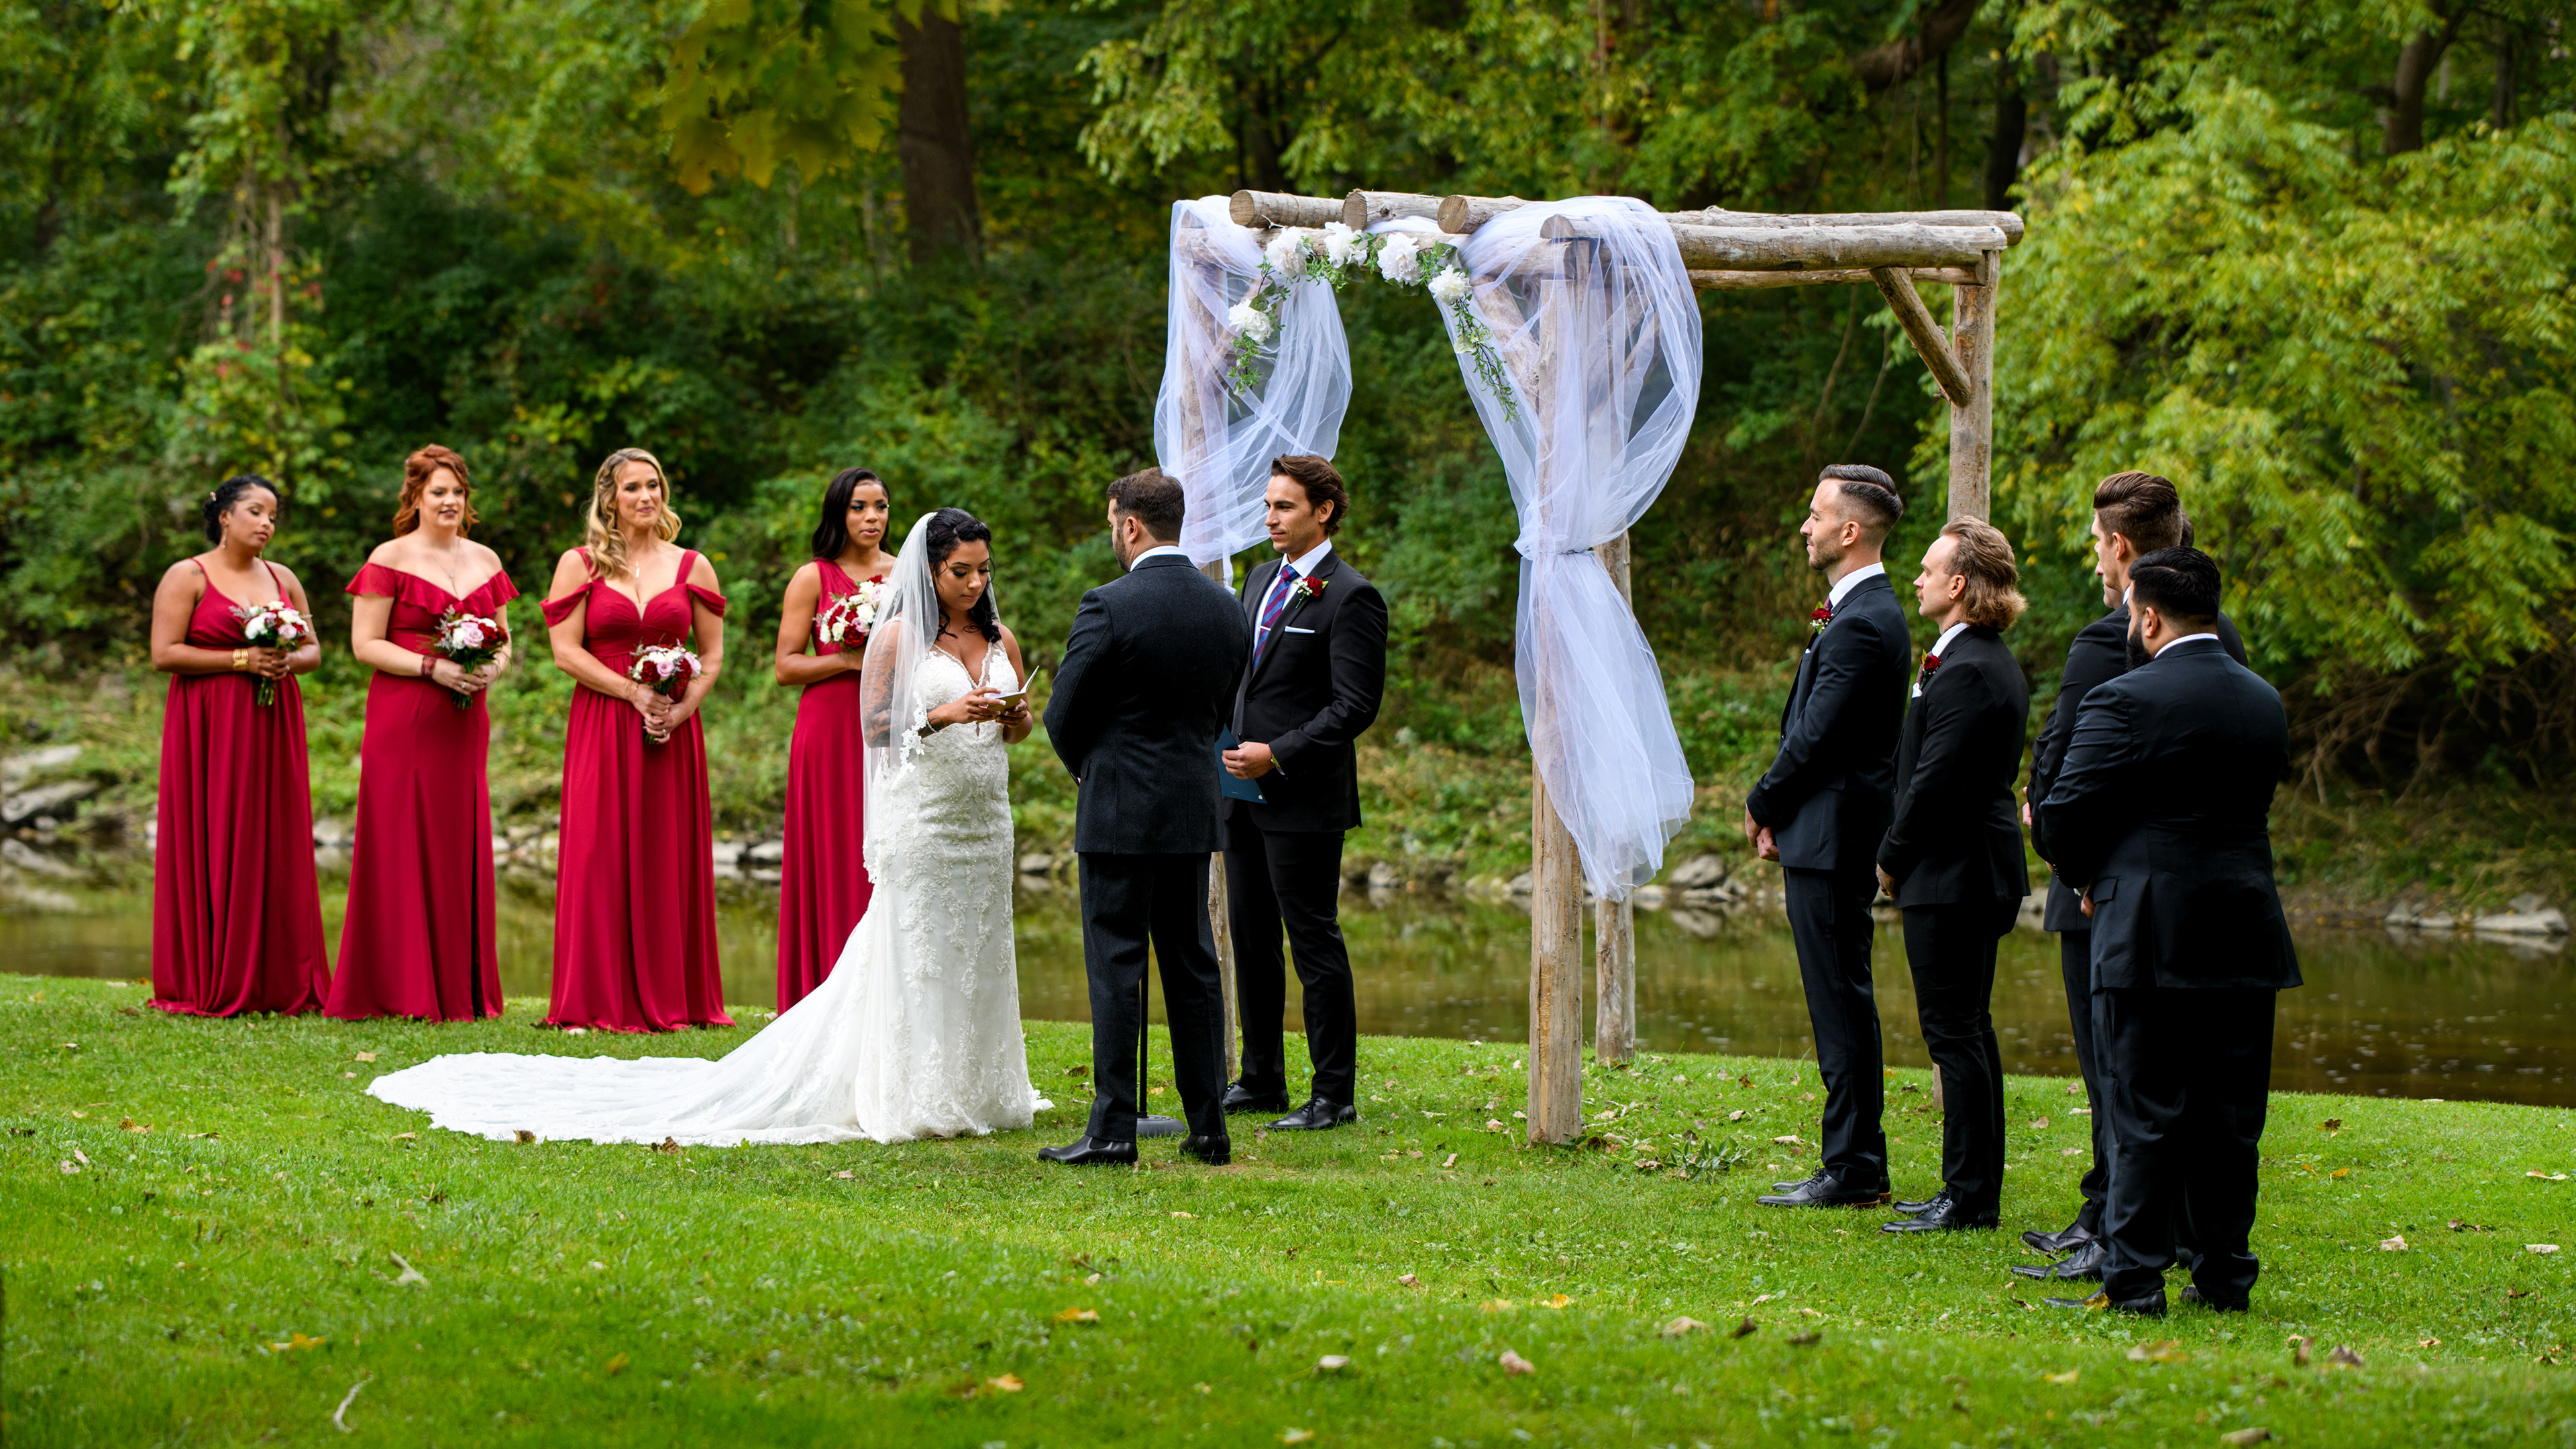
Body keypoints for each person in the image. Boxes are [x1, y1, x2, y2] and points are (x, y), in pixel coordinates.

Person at [369, 509, 1052, 1144]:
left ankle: (980, 1085)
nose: (974, 583)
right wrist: (944, 714)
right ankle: (911, 1086)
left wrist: (1016, 718)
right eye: (960, 571)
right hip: (925, 819)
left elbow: (1018, 730)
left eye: (982, 571)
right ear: (929, 570)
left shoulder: (1001, 639)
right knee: (918, 945)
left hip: (986, 821)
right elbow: (876, 728)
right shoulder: (899, 636)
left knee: (980, 945)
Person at [2035, 547, 2299, 1316]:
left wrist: (2088, 877)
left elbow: (2062, 815)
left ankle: (2135, 1281)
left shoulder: (2124, 698)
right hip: (2245, 926)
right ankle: (2223, 1277)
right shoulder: (2264, 700)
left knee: (2141, 1106)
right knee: (2230, 1117)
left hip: (2148, 926)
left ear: (2148, 618)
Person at [2019, 471, 2249, 1279]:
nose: (2093, 560)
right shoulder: (2223, 641)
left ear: (2120, 546)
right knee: (2177, 1078)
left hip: (2110, 888)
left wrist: (2054, 835)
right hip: (2199, 890)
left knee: (2118, 1074)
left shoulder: (2106, 641)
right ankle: (2131, 1217)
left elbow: (2066, 754)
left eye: (2095, 544)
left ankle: (2122, 1235)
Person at [1037, 468, 1250, 1168]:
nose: (1112, 534)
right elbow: (1221, 710)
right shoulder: (1227, 608)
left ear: (1130, 524)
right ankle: (1209, 1128)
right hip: (1192, 807)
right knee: (1194, 964)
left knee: (1116, 964)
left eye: (1111, 524)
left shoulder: (1108, 604)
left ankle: (1112, 1131)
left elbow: (1062, 713)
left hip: (1118, 810)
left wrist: (1093, 768)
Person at [1743, 464, 1910, 1209]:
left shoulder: (1866, 621)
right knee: (1837, 997)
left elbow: (1817, 737)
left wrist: (1763, 802)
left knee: (1840, 1000)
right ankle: (1853, 1159)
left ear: (1849, 530)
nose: (1804, 527)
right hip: (1824, 831)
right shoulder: (1853, 612)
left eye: (1815, 516)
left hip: (1836, 836)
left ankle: (1854, 1167)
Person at [1220, 454, 1389, 1130]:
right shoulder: (1259, 579)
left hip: (1303, 796)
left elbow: (1355, 706)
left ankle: (1333, 1095)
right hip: (1238, 792)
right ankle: (1261, 1078)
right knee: (1251, 940)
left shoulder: (1351, 596)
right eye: (1268, 505)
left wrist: (1279, 754)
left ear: (1324, 511)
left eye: (1284, 506)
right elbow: (1244, 678)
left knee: (1313, 944)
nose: (1270, 518)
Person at [537, 447, 733, 1033]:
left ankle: (677, 993)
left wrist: (680, 710)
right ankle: (596, 995)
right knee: (598, 851)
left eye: (654, 485)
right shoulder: (579, 565)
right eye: (632, 488)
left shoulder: (693, 566)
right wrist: (630, 692)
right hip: (602, 722)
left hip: (672, 728)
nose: (646, 496)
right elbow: (565, 651)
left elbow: (712, 655)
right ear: (610, 499)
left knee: (666, 850)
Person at [1875, 519, 2031, 1234]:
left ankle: (1968, 1197)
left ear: (1959, 584)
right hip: (1963, 869)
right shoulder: (1966, 656)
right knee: (1967, 1028)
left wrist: (1891, 856)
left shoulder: (1971, 667)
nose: (1917, 578)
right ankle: (1971, 1189)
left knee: (1954, 1033)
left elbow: (1935, 782)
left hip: (1957, 870)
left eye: (1929, 569)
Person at [327, 445, 517, 1021]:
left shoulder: (486, 559)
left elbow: (505, 639)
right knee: (401, 838)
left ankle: (460, 986)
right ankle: (397, 986)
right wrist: (432, 667)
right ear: (415, 497)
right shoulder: (389, 558)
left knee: (458, 838)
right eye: (438, 492)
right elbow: (365, 644)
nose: (450, 501)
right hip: (404, 715)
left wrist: (491, 669)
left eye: (458, 492)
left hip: (465, 720)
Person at [147, 474, 329, 1016]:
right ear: (224, 516)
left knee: (274, 835)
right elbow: (164, 653)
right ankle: (212, 973)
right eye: (255, 511)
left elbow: (314, 651)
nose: (266, 523)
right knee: (220, 830)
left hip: (274, 723)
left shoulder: (283, 578)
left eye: (272, 515)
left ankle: (280, 978)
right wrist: (241, 660)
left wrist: (283, 660)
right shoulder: (187, 576)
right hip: (210, 726)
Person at [773, 467, 898, 1010]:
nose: (872, 517)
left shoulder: (906, 574)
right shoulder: (813, 577)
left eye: (881, 506)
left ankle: (882, 988)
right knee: (834, 845)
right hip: (828, 727)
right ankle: (823, 986)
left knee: (884, 841)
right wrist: (848, 660)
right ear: (838, 513)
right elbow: (786, 665)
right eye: (859, 507)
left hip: (887, 722)